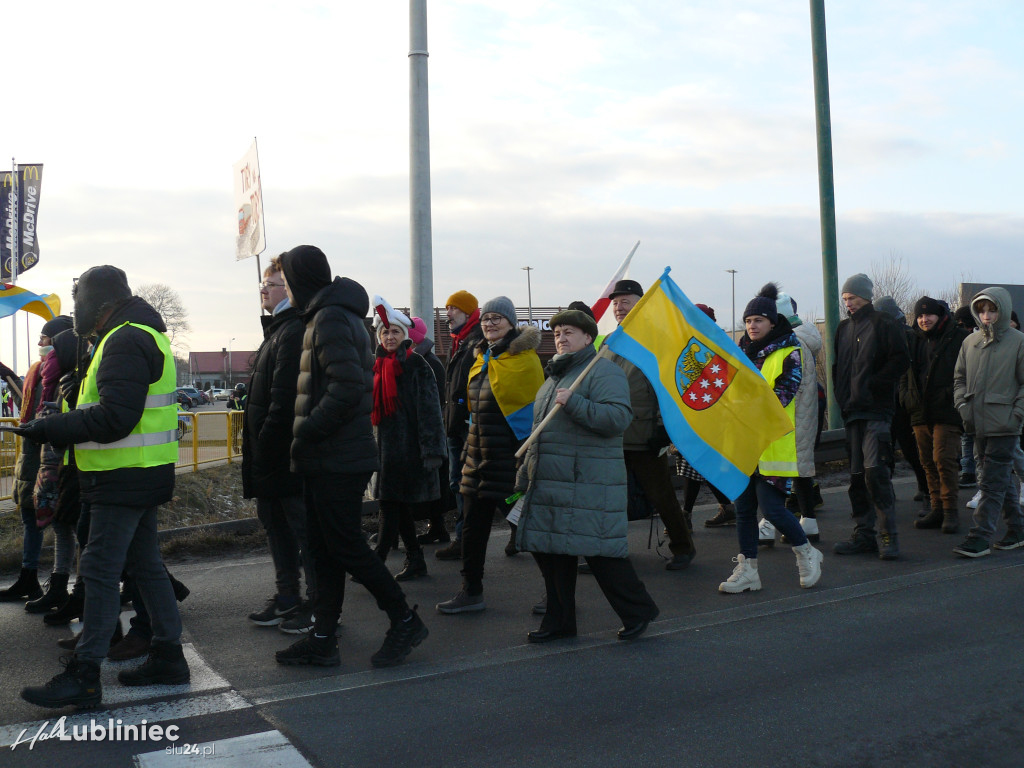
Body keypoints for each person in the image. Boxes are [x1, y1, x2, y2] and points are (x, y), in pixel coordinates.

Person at [20, 265, 188, 709]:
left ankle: (85, 675)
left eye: (77, 300)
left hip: (122, 477)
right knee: (146, 565)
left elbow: (116, 417)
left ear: (102, 305)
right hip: (138, 472)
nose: (72, 308)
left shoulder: (125, 339)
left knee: (97, 568)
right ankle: (169, 656)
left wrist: (52, 427)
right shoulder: (136, 334)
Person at [273, 245, 428, 668]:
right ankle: (322, 638)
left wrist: (305, 431)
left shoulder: (331, 318)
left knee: (346, 546)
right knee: (324, 551)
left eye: (286, 281)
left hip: (338, 457)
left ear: (301, 280)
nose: (284, 289)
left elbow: (343, 390)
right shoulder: (326, 315)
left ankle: (403, 620)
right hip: (326, 456)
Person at [515, 309, 659, 642]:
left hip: (586, 482)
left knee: (601, 554)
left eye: (568, 332)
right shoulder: (553, 378)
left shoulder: (602, 372)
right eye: (557, 334)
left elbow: (618, 419)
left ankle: (638, 610)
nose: (561, 339)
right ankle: (559, 622)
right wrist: (526, 473)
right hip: (552, 480)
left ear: (587, 337)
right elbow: (542, 431)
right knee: (553, 554)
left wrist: (576, 404)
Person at [436, 296, 543, 614]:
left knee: (526, 524)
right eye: (487, 318)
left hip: (508, 462)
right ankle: (471, 590)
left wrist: (523, 459)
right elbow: (474, 411)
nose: (491, 323)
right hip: (477, 459)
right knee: (471, 527)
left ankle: (558, 590)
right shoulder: (481, 358)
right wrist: (469, 450)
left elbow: (533, 413)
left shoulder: (525, 359)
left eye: (498, 318)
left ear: (511, 323)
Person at [718, 285, 824, 593]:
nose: (752, 326)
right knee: (745, 509)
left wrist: (739, 408)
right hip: (745, 444)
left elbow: (781, 398)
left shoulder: (790, 353)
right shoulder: (740, 356)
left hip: (774, 445)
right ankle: (748, 569)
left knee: (774, 509)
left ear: (773, 322)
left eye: (758, 320)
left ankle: (807, 553)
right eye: (748, 321)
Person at [243, 255, 316, 635]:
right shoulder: (276, 330)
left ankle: (318, 606)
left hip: (283, 455)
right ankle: (287, 595)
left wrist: (267, 445)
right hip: (268, 454)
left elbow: (284, 400)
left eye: (269, 286)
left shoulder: (292, 330)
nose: (263, 292)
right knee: (276, 529)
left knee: (303, 533)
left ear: (287, 289)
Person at [604, 279, 698, 569]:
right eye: (615, 302)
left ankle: (682, 548)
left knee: (661, 495)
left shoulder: (657, 340)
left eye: (625, 301)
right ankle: (611, 549)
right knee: (611, 496)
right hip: (613, 432)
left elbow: (668, 387)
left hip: (646, 433)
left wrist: (662, 428)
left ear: (641, 304)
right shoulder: (610, 341)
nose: (618, 307)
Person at [831, 274, 910, 560]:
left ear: (866, 296)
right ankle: (864, 534)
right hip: (852, 411)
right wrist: (842, 397)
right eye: (845, 299)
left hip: (877, 409)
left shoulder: (883, 322)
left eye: (852, 298)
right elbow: (838, 367)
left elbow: (901, 359)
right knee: (855, 477)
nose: (848, 303)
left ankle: (888, 536)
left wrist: (875, 384)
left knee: (876, 472)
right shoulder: (842, 329)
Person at [370, 300, 446, 580]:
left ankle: (376, 562)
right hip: (387, 451)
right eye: (385, 333)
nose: (390, 337)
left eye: (395, 333)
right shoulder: (378, 366)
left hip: (411, 450)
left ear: (405, 337)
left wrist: (432, 450)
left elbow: (430, 410)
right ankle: (415, 559)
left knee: (390, 505)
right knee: (396, 505)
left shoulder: (416, 364)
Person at [0, 316, 72, 603]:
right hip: (32, 455)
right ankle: (30, 578)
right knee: (30, 517)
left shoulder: (60, 372)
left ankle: (59, 585)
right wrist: (8, 375)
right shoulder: (37, 371)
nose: (39, 343)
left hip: (50, 458)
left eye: (43, 338)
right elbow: (25, 400)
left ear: (56, 340)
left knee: (61, 525)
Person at [952, 288, 1024, 557]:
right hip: (976, 423)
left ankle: (979, 536)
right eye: (981, 310)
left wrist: (1016, 414)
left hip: (1005, 424)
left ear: (1002, 311)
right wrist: (962, 405)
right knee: (1000, 480)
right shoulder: (970, 343)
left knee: (991, 482)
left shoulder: (1018, 341)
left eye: (992, 310)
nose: (986, 316)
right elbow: (959, 377)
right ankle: (1017, 529)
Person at [901, 296, 970, 535]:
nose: (923, 319)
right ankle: (936, 507)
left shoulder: (958, 338)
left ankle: (951, 511)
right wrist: (907, 397)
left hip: (948, 409)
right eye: (920, 316)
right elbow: (905, 372)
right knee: (927, 461)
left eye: (928, 314)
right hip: (920, 409)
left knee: (944, 459)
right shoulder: (913, 340)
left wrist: (957, 397)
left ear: (940, 315)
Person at [435, 290, 484, 560]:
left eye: (453, 308)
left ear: (467, 312)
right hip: (455, 424)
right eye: (447, 309)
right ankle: (464, 536)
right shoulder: (460, 340)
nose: (448, 314)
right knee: (458, 483)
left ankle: (466, 539)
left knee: (469, 484)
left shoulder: (477, 341)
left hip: (468, 424)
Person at [408, 315, 453, 547]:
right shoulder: (426, 360)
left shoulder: (427, 363)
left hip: (429, 433)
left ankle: (437, 528)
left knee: (434, 480)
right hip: (427, 433)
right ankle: (437, 527)